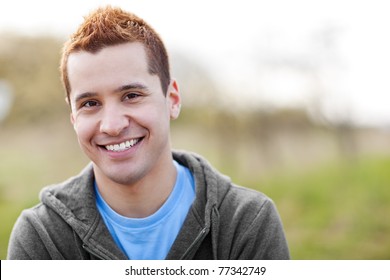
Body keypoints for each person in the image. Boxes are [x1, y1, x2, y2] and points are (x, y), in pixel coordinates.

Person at [7, 6, 290, 260]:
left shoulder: (246, 222)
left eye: (131, 95)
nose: (112, 125)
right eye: (90, 104)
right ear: (73, 117)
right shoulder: (42, 237)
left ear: (172, 99)